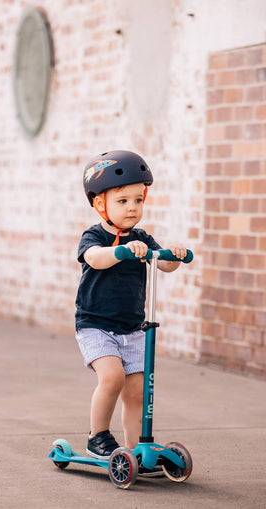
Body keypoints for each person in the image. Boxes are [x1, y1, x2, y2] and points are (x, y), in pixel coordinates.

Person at [75, 150, 187, 476]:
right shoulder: (94, 236)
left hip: (132, 327)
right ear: (100, 204)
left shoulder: (142, 238)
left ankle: (138, 451)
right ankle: (97, 437)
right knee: (112, 378)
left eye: (138, 200)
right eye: (122, 201)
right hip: (96, 325)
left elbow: (163, 263)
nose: (132, 208)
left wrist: (174, 254)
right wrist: (120, 251)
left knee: (137, 391)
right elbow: (94, 257)